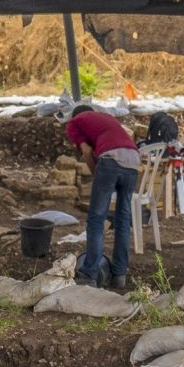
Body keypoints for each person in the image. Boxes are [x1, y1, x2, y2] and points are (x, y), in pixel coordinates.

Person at [64, 104, 140, 289]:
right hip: (133, 159)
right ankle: (119, 275)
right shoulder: (106, 119)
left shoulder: (74, 122)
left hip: (111, 159)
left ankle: (89, 274)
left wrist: (96, 173)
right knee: (123, 219)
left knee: (97, 219)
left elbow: (87, 151)